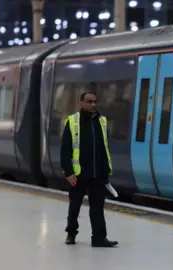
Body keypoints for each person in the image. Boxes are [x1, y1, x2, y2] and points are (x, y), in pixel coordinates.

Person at [60, 91, 118, 247]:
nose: (93, 104)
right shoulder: (72, 122)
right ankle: (71, 234)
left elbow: (104, 148)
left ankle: (99, 237)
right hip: (79, 174)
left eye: (94, 101)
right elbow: (65, 149)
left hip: (98, 173)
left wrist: (105, 172)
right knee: (75, 206)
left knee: (98, 207)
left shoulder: (102, 122)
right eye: (89, 101)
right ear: (81, 103)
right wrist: (68, 172)